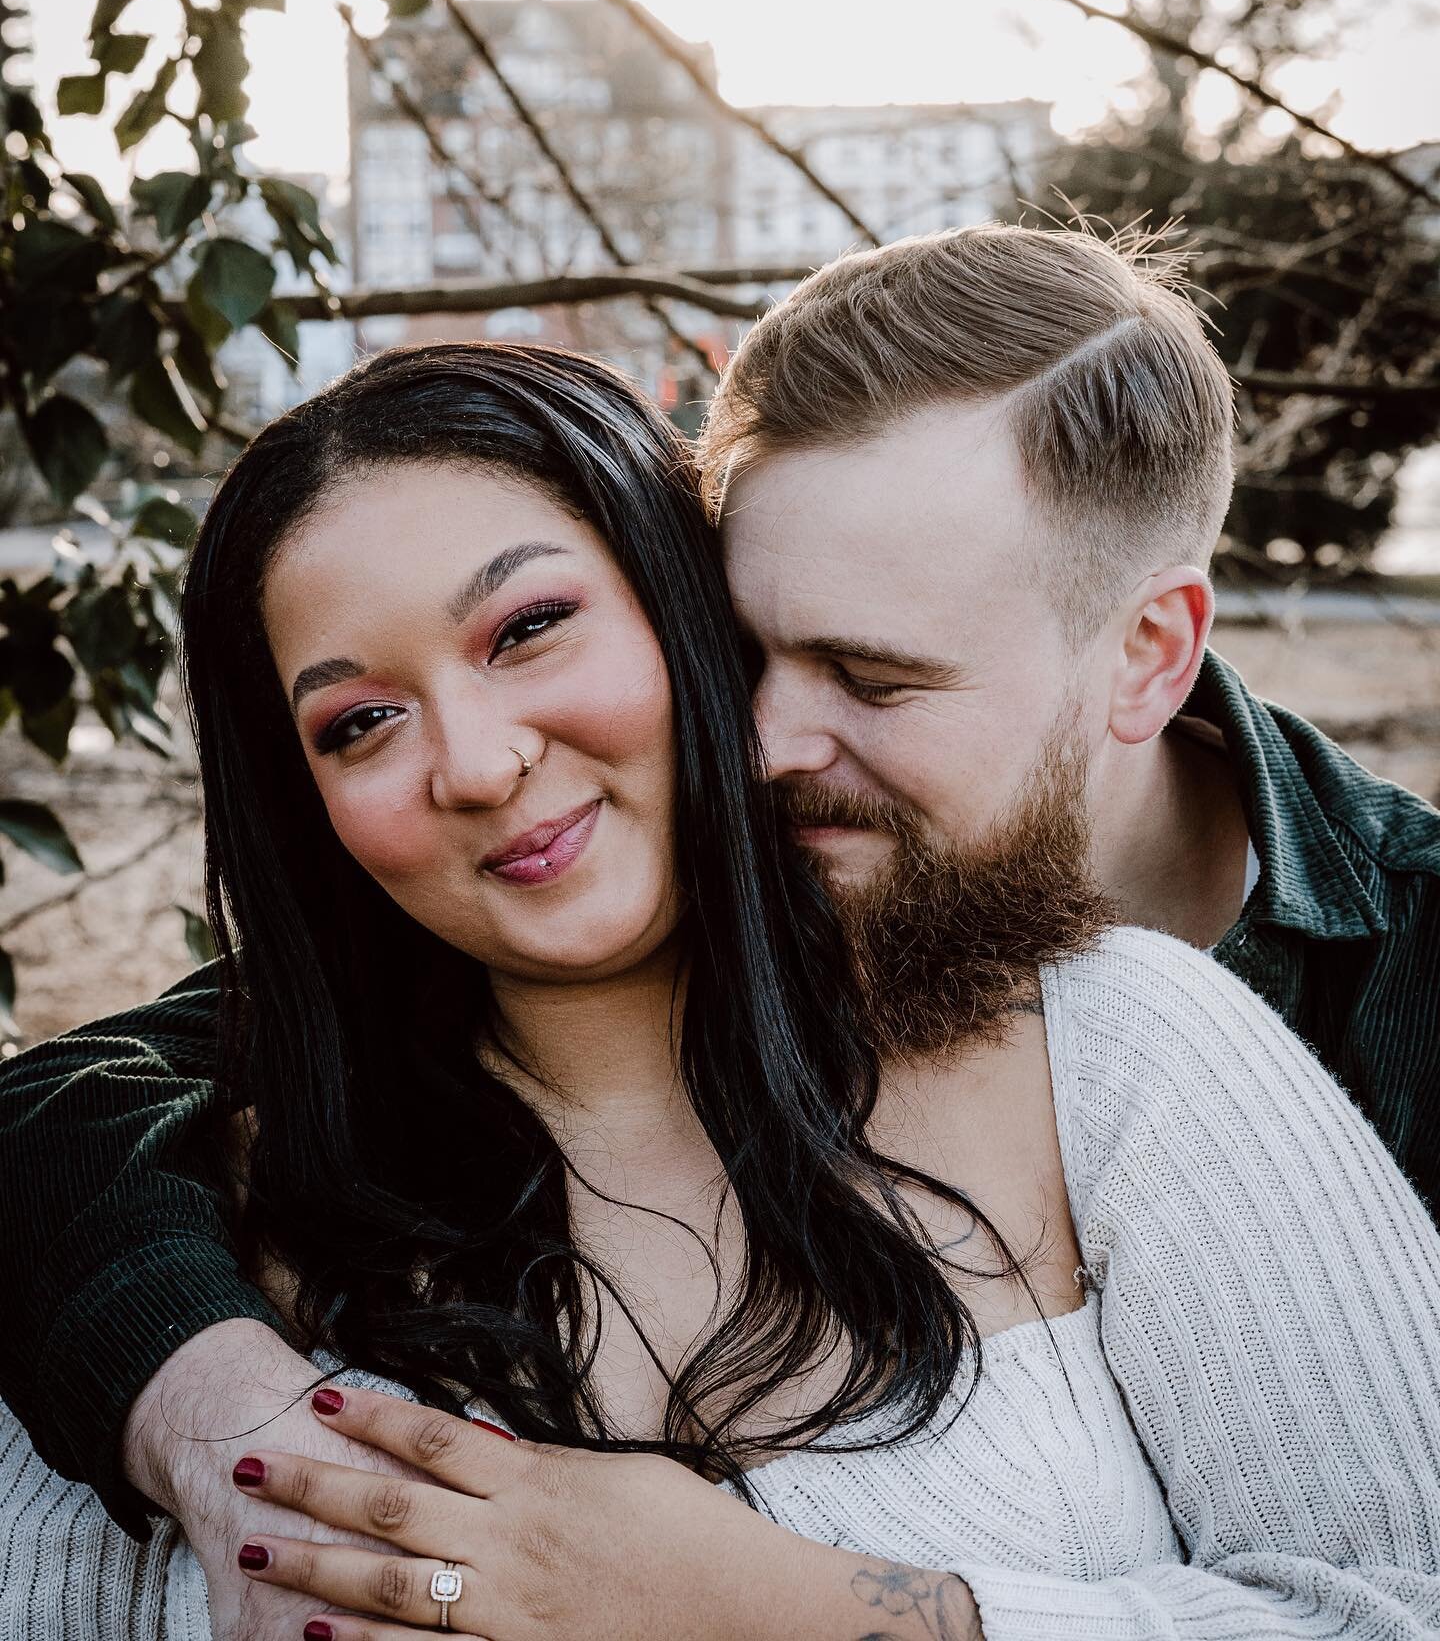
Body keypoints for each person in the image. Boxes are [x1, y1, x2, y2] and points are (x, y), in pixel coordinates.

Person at [0, 230, 1437, 1637]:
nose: (766, 742)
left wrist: (750, 1604)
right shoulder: (222, 1183)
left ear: (1146, 657)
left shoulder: (1150, 1038)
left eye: (872, 675)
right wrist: (211, 1421)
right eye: (357, 720)